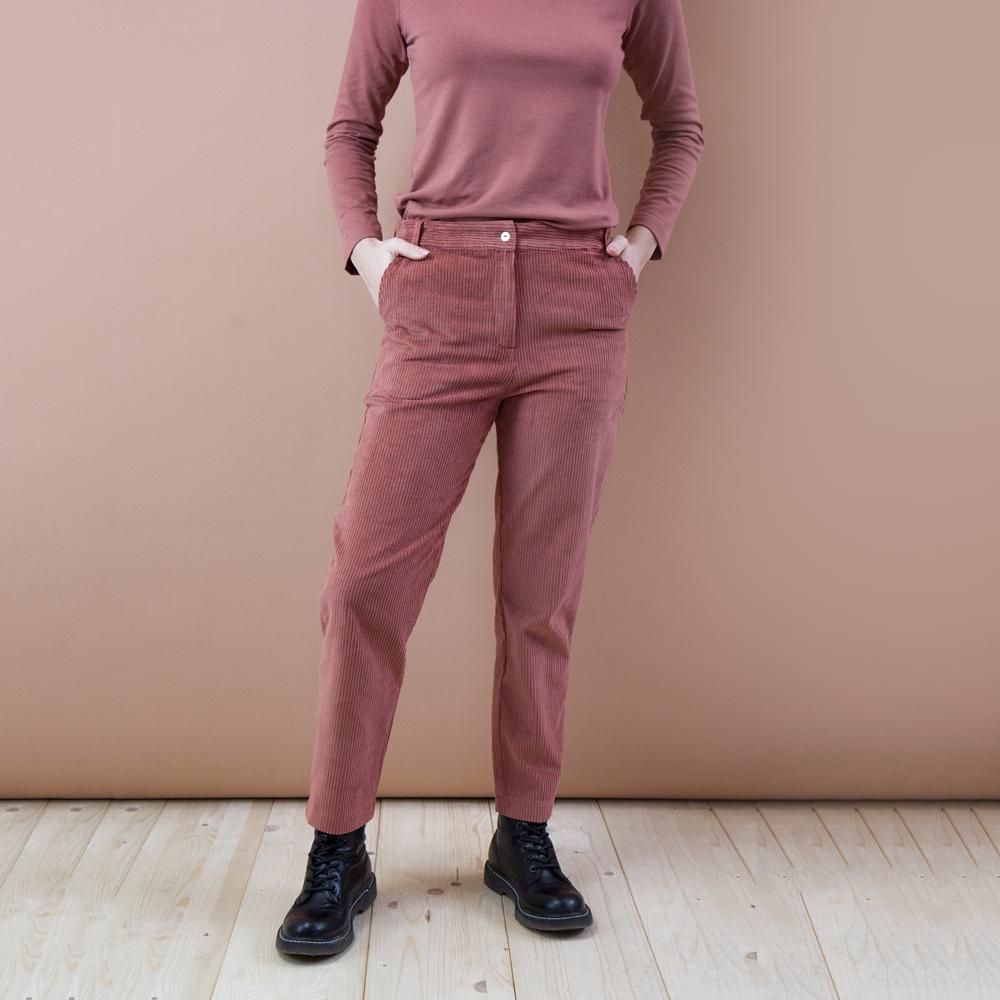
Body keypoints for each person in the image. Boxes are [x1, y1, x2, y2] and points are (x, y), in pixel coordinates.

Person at [276, 0, 704, 957]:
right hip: (441, 293)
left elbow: (679, 125)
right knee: (365, 580)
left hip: (577, 305)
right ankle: (338, 844)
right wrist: (367, 252)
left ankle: (524, 833)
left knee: (540, 595)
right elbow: (351, 128)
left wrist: (638, 251)